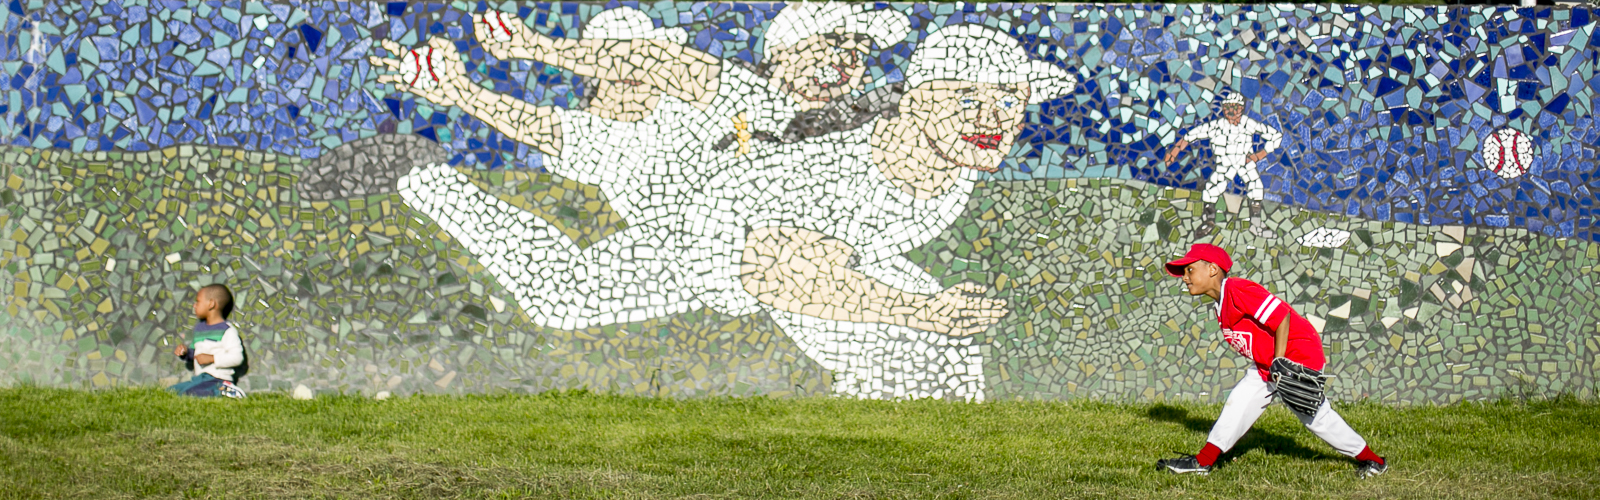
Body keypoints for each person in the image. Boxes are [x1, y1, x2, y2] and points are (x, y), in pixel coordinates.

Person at [396, 23, 1077, 400]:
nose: (994, 119)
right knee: (562, 297)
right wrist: (536, 51)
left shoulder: (942, 149)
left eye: (1009, 102)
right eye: (968, 100)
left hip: (827, 250)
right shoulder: (836, 176)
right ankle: (423, 179)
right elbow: (783, 274)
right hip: (719, 244)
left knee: (938, 368)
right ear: (921, 100)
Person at [1156, 244, 1385, 477]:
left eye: (1190, 270)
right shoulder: (1221, 304)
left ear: (1213, 269)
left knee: (1316, 418)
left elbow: (1281, 315)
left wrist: (1279, 361)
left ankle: (1375, 461)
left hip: (1296, 356)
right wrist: (1272, 363)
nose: (1185, 277)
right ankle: (1203, 461)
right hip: (1268, 365)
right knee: (1239, 403)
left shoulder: (1236, 288)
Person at [1161, 92, 1283, 239]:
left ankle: (1256, 225)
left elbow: (1276, 136)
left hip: (1245, 163)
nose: (1231, 111)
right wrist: (1174, 152)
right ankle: (1208, 221)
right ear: (1223, 109)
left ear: (1241, 108)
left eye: (1235, 107)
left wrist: (1259, 155)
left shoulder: (1248, 123)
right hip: (1224, 164)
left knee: (1256, 187)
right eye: (1227, 107)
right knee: (1211, 190)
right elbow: (1191, 135)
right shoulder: (1217, 126)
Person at [168, 284, 247, 399]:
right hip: (200, 378)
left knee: (187, 395)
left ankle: (223, 390)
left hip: (217, 378)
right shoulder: (199, 329)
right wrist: (185, 353)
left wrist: (212, 358)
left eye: (198, 302)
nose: (194, 305)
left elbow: (237, 358)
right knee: (171, 392)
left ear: (211, 304)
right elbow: (196, 354)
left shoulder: (227, 331)